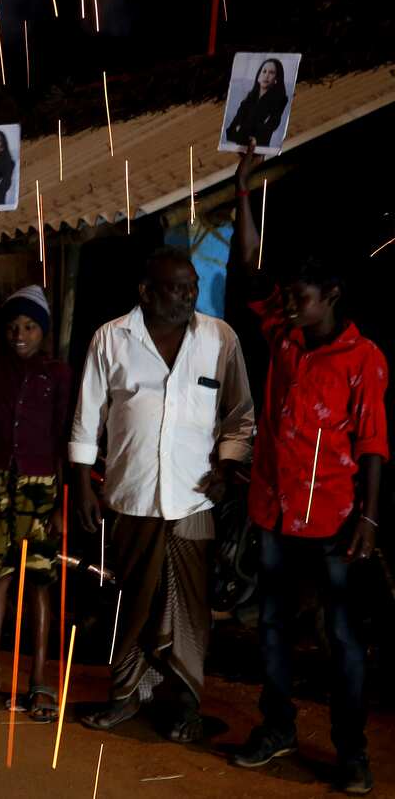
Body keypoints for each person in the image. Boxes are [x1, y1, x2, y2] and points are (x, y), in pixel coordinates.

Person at [228, 148, 386, 795]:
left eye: (301, 298)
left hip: (333, 519)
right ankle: (278, 727)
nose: (288, 304)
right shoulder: (283, 334)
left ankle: (352, 751)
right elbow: (249, 268)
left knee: (340, 637)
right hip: (273, 509)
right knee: (271, 626)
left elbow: (373, 442)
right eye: (288, 296)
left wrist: (369, 517)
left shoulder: (363, 358)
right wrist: (243, 190)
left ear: (333, 297)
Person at [72, 247, 255, 743]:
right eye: (176, 288)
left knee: (190, 610)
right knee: (132, 602)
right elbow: (88, 417)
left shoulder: (220, 338)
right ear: (146, 292)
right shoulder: (111, 338)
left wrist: (228, 465)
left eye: (191, 287)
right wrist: (82, 483)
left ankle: (185, 706)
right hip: (131, 496)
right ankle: (126, 696)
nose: (187, 296)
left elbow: (240, 416)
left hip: (194, 499)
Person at [0, 197, 71, 717]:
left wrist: (62, 501)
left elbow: (67, 436)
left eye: (30, 327)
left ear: (43, 332)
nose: (19, 334)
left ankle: (40, 681)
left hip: (40, 489)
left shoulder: (59, 374)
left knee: (40, 584)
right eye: (13, 327)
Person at [225, 58, 289, 149]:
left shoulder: (280, 100)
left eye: (271, 73)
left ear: (276, 79)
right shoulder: (249, 98)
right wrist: (247, 132)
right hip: (238, 146)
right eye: (264, 71)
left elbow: (270, 127)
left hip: (259, 148)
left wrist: (242, 129)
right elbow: (230, 131)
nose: (266, 76)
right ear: (258, 76)